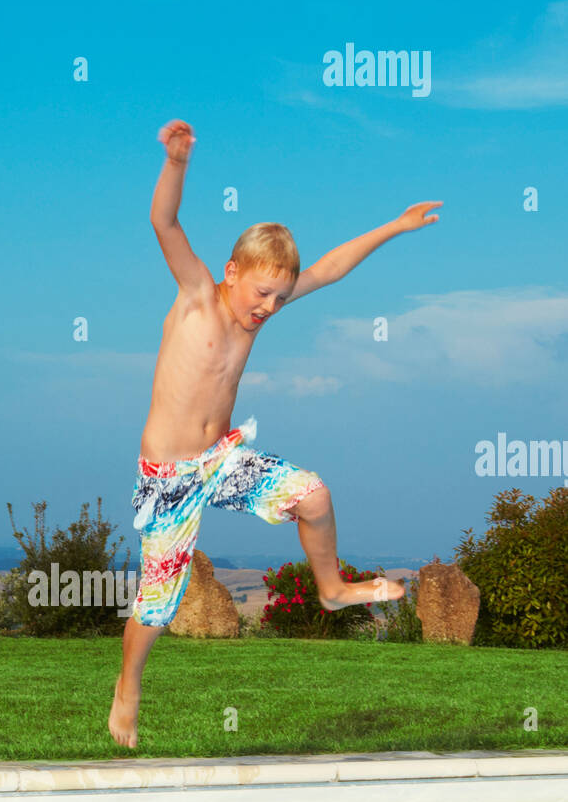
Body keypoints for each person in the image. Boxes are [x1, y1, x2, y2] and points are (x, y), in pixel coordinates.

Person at [109, 119, 440, 749]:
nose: (267, 309)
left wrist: (395, 226)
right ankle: (128, 687)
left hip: (222, 457)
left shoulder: (262, 309)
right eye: (262, 293)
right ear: (232, 271)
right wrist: (176, 162)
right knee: (158, 601)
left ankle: (335, 588)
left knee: (312, 494)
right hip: (170, 477)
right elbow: (164, 223)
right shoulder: (197, 297)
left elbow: (329, 269)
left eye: (280, 301)